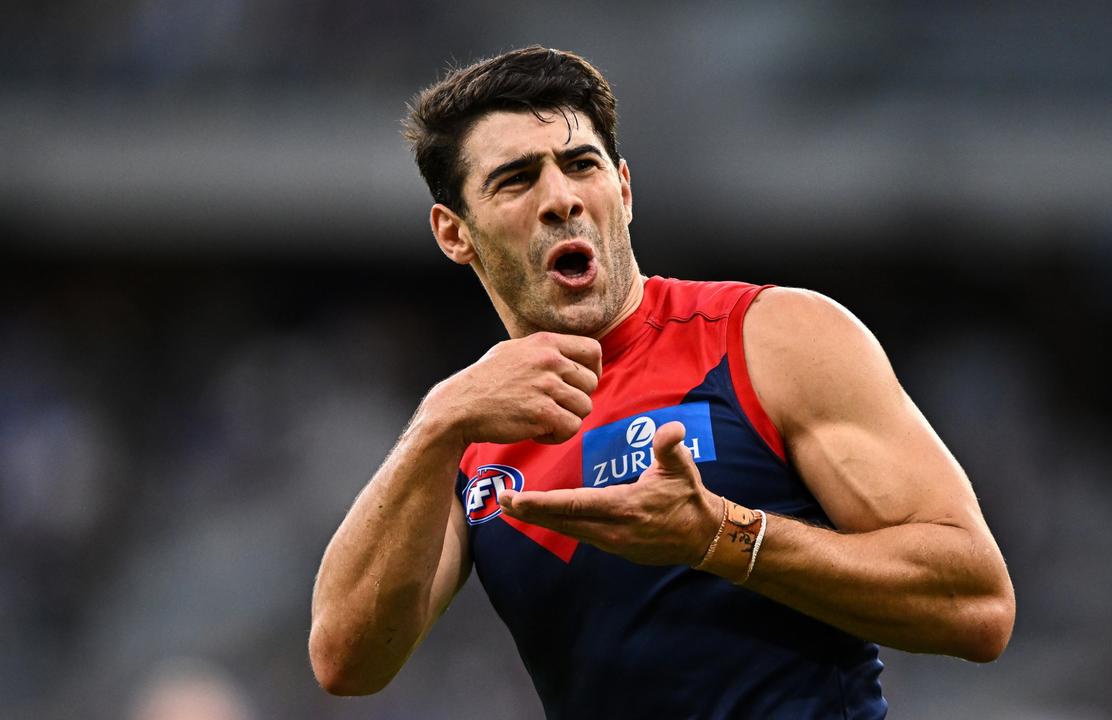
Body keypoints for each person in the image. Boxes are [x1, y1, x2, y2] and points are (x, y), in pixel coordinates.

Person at [309, 46, 1015, 719]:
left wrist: (717, 536)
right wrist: (437, 421)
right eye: (516, 179)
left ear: (622, 187)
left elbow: (978, 606)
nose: (561, 198)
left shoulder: (772, 338)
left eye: (581, 164)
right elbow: (347, 661)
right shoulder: (473, 435)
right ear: (453, 233)